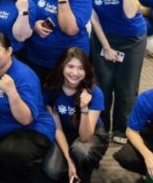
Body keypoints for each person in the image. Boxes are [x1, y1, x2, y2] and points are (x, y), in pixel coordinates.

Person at [86, 0, 147, 145]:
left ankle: (122, 127)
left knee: (126, 85)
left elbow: (130, 13)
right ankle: (102, 126)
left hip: (132, 38)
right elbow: (94, 19)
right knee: (103, 83)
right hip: (103, 38)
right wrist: (107, 47)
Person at [0, 32, 55, 182]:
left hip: (31, 129)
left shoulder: (25, 76)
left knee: (11, 153)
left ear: (9, 51)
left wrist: (12, 92)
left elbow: (26, 119)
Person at [42, 48, 109, 183]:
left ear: (87, 70)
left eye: (81, 68)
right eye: (70, 66)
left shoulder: (94, 93)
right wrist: (69, 160)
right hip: (64, 133)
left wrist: (84, 108)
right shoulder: (52, 89)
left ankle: (84, 171)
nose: (75, 73)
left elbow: (85, 137)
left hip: (90, 134)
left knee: (80, 151)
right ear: (62, 67)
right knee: (52, 170)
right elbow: (58, 129)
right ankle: (71, 166)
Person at [25, 0, 93, 80]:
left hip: (68, 62)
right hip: (35, 56)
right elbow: (22, 10)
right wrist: (33, 24)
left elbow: (70, 30)